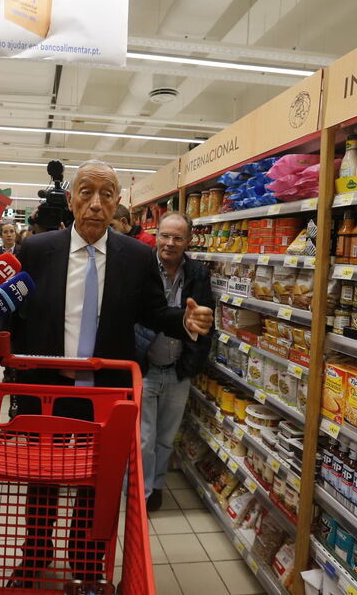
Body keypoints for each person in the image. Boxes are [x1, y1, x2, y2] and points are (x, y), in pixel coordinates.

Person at [0, 160, 213, 586]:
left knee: (93, 484)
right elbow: (1, 304)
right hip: (44, 387)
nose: (96, 204)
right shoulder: (38, 250)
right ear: (70, 200)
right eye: (86, 192)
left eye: (107, 194)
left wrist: (185, 322)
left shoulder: (137, 257)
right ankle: (36, 554)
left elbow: (155, 312)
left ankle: (84, 564)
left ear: (119, 203)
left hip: (103, 394)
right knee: (41, 479)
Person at [134, 212, 213, 511]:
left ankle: (155, 486)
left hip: (178, 369)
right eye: (165, 235)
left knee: (166, 438)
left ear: (188, 241)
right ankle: (141, 495)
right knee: (144, 438)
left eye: (178, 238)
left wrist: (192, 364)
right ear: (156, 235)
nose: (169, 243)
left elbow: (206, 320)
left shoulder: (197, 274)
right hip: (145, 366)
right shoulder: (141, 268)